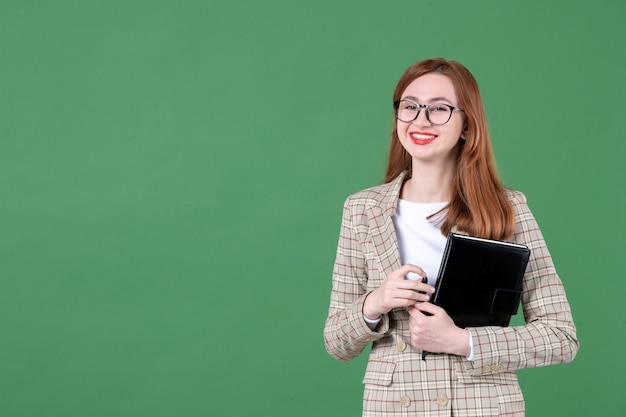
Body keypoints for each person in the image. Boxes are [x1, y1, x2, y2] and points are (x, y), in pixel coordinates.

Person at [323, 58, 579, 416]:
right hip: (394, 407)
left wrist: (462, 341)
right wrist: (376, 301)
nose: (420, 120)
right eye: (410, 106)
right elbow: (337, 343)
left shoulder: (506, 208)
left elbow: (560, 337)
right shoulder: (362, 209)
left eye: (439, 109)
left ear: (466, 125)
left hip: (483, 406)